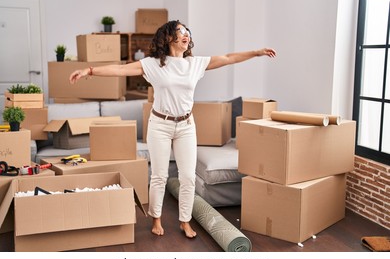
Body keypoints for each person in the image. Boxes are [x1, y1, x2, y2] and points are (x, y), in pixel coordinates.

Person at [69, 20, 276, 239]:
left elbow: (227, 58)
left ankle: (184, 221)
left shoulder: (194, 64)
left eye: (187, 31)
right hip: (160, 125)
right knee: (159, 175)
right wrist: (89, 70)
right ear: (168, 38)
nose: (185, 34)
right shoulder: (153, 64)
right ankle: (156, 219)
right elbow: (120, 69)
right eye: (180, 31)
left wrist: (256, 52)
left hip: (186, 125)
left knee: (187, 176)